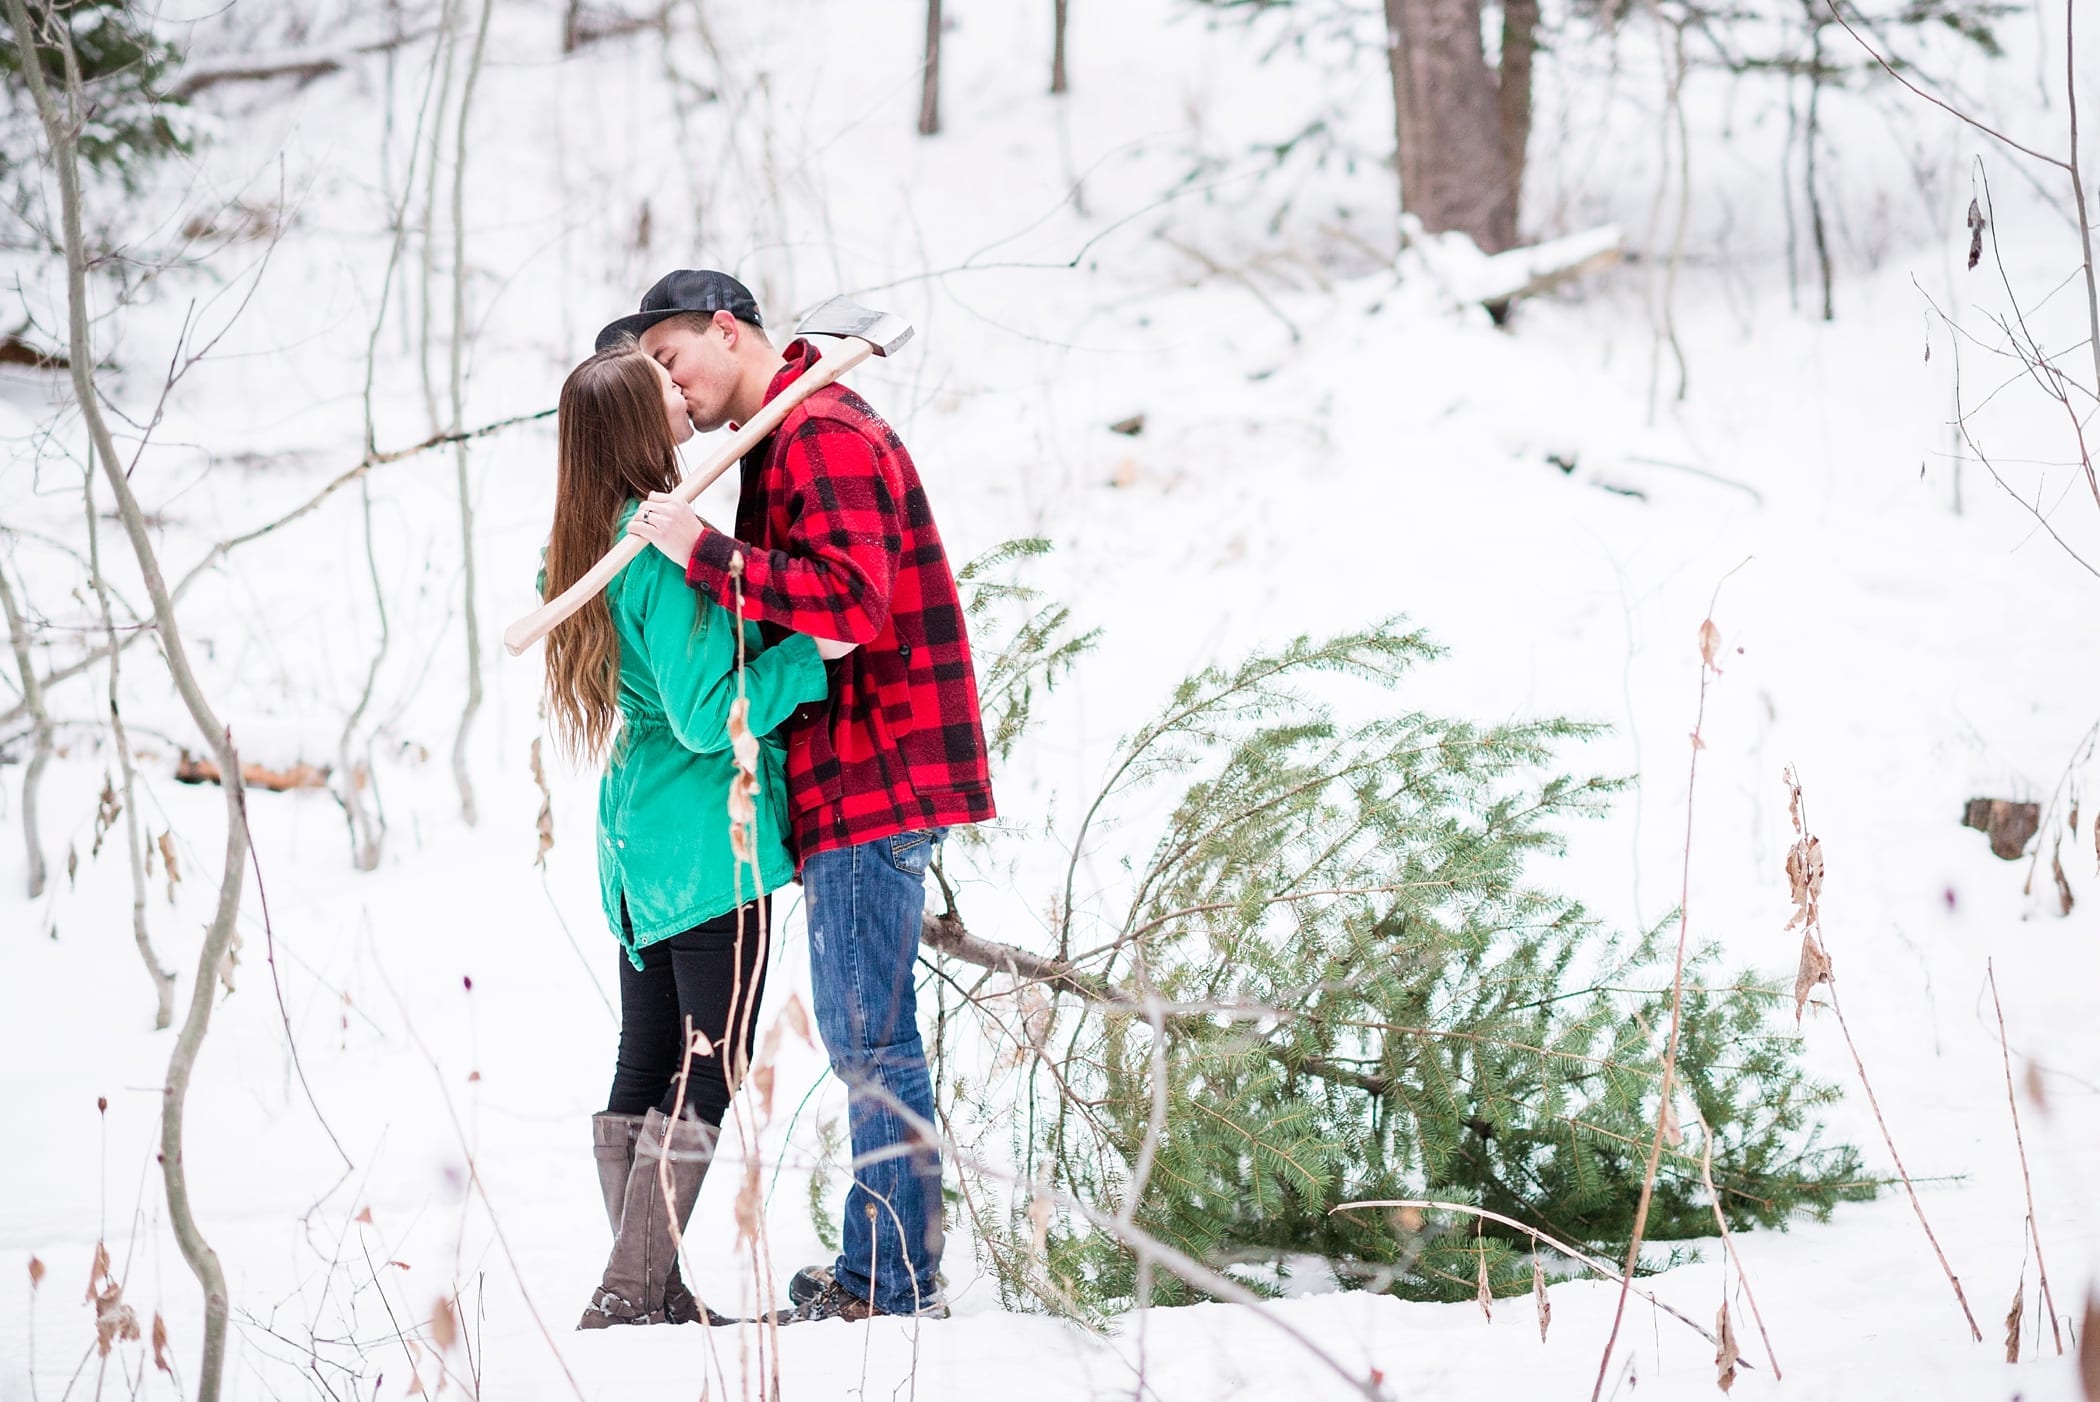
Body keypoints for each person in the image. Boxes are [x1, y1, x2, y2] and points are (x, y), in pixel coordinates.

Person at [609, 270, 996, 1322]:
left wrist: (709, 557)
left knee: (869, 1033)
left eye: (673, 362)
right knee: (864, 1026)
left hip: (877, 764)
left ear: (726, 331)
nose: (671, 392)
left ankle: (892, 1284)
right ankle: (886, 1267)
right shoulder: (781, 433)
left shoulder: (819, 428)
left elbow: (855, 605)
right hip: (846, 771)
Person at [538, 344, 845, 1328]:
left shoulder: (579, 539)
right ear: (636, 427)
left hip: (638, 835)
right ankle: (631, 1288)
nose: (686, 392)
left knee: (649, 1054)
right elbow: (711, 711)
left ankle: (653, 1288)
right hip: (708, 842)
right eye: (663, 389)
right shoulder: (655, 555)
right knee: (707, 1064)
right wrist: (808, 654)